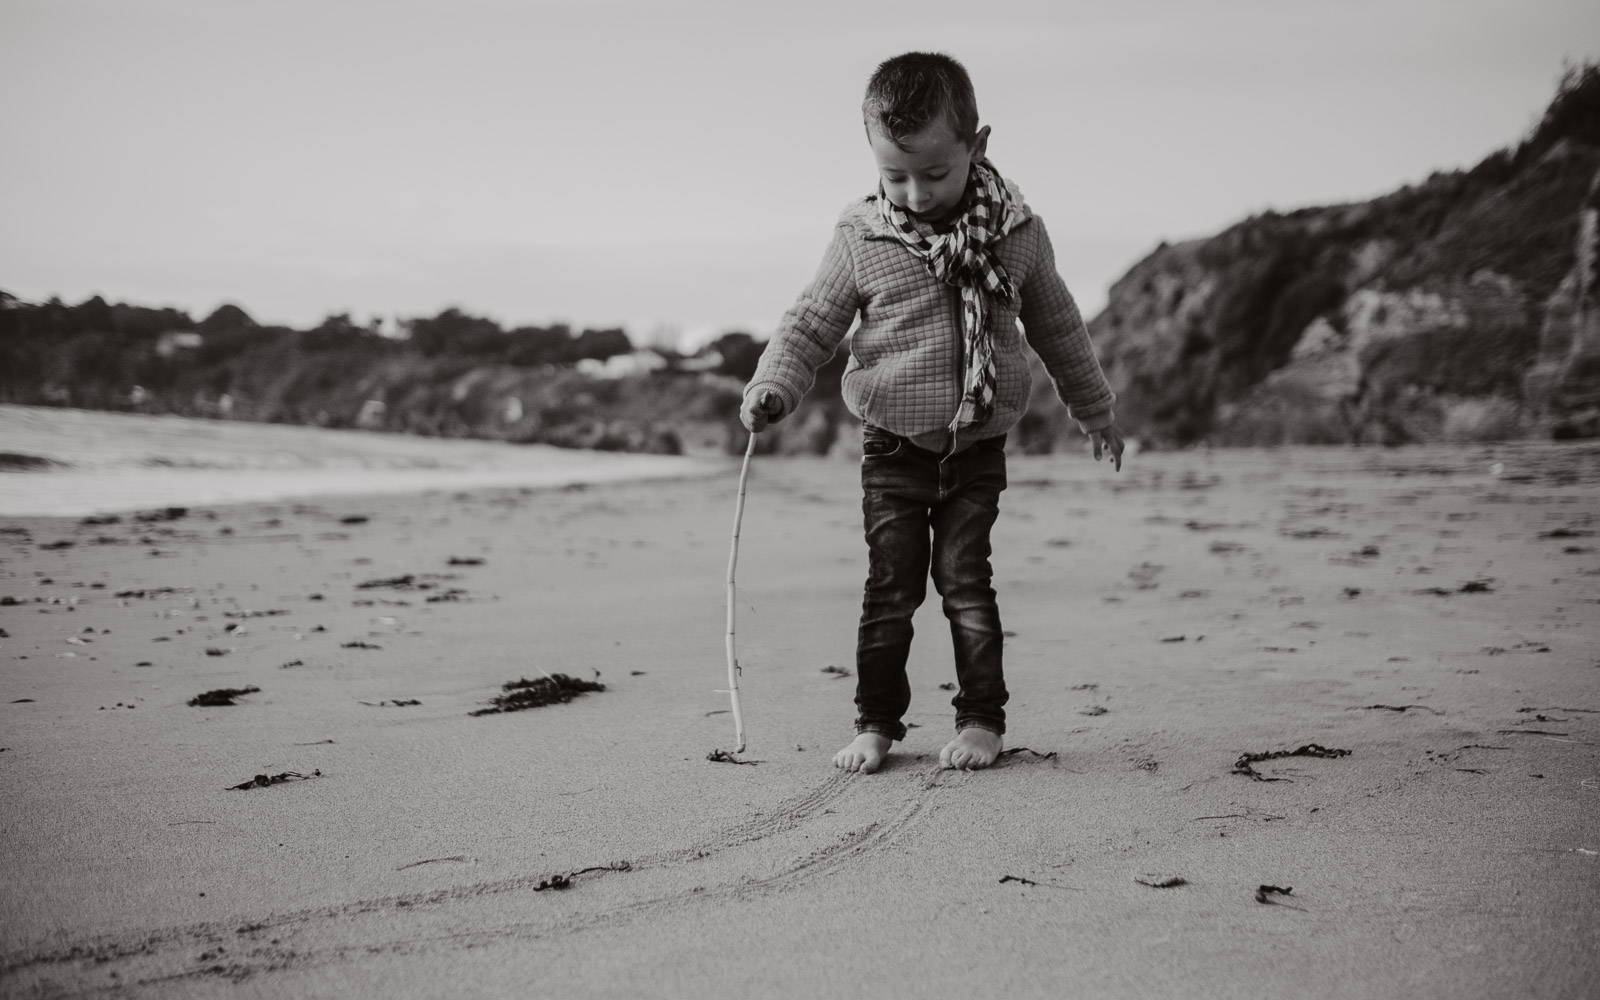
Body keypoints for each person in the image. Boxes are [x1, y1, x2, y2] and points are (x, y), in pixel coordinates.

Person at [741, 51, 1125, 774]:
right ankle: (876, 724)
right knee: (891, 591)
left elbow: (1059, 328)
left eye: (935, 172)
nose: (915, 193)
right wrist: (774, 387)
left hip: (976, 448)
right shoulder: (864, 240)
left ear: (977, 146)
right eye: (894, 175)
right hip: (893, 451)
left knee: (965, 584)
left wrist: (1095, 408)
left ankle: (982, 720)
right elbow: (810, 324)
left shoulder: (1017, 235)